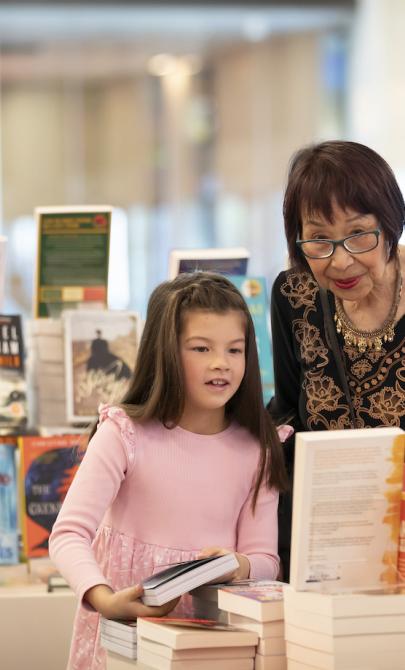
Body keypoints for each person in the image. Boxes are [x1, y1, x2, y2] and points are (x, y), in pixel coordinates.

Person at [49, 271, 288, 670]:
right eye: (200, 348)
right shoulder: (123, 434)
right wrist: (105, 598)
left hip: (212, 642)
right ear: (165, 352)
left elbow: (265, 557)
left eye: (235, 349)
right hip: (125, 637)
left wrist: (236, 564)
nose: (221, 363)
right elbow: (69, 534)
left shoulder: (258, 448)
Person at [269, 140, 405, 580]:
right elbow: (288, 410)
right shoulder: (295, 295)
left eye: (359, 233)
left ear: (391, 221)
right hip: (329, 543)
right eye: (319, 240)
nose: (341, 260)